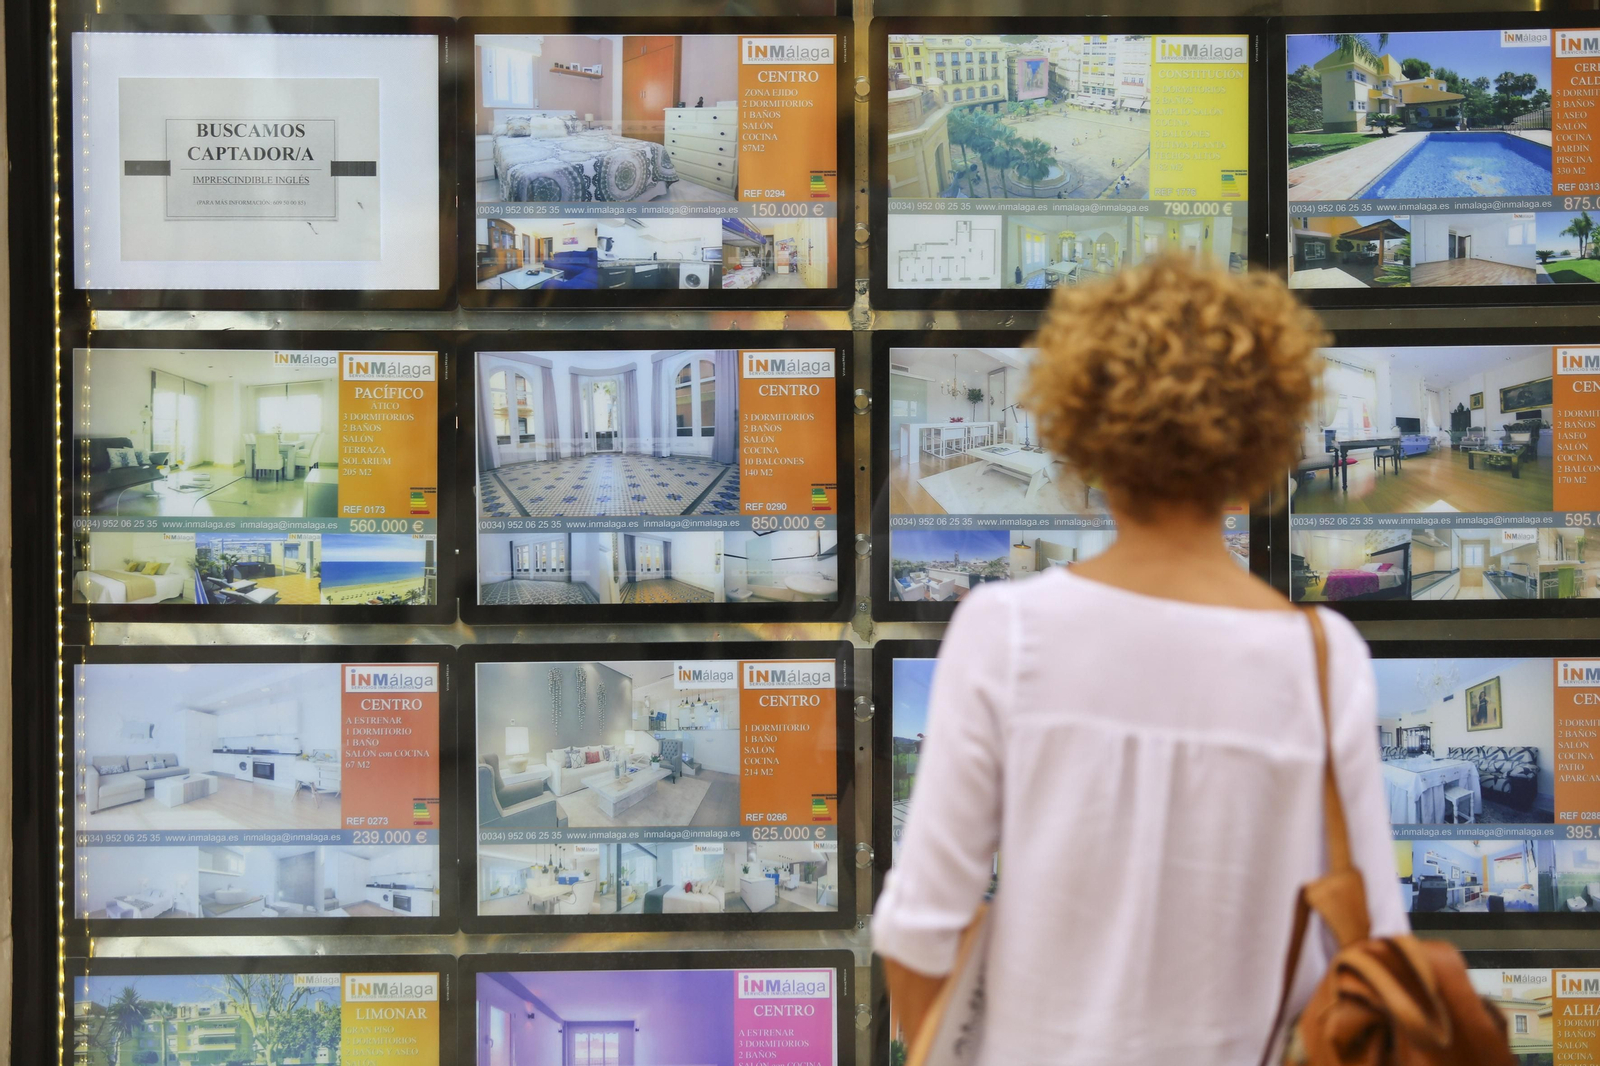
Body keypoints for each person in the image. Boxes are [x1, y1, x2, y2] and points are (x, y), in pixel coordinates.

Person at [875, 256, 1406, 1066]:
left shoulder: (1004, 631)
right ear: (1261, 438)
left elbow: (918, 938)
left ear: (1084, 428)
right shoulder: (1325, 659)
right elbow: (1373, 946)